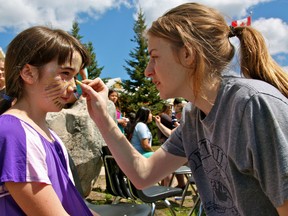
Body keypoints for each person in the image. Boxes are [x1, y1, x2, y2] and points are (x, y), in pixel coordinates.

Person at [79, 2, 288, 215]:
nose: (147, 71)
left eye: (154, 57)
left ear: (187, 54)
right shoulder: (193, 116)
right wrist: (102, 116)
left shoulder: (252, 106)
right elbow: (143, 174)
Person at [0, 26, 99, 216]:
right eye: (66, 74)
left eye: (76, 76)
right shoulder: (15, 133)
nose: (73, 88)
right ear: (28, 73)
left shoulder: (46, 132)